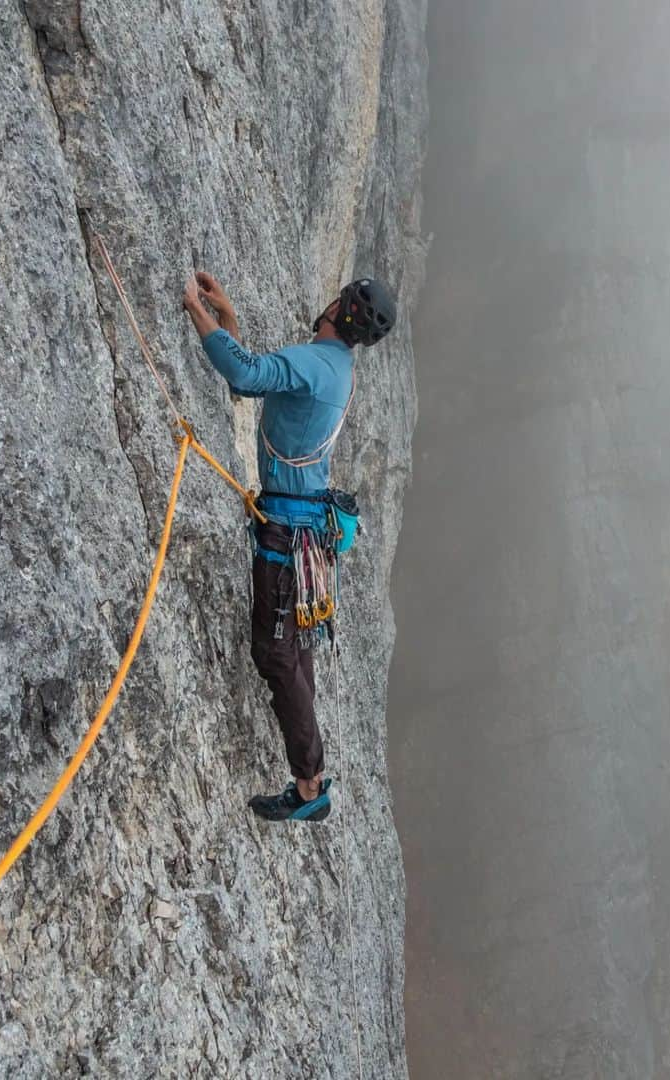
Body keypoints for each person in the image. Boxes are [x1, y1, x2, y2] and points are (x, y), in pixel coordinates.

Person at [182, 270, 396, 822]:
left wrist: (194, 309)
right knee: (294, 652)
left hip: (287, 533)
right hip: (304, 530)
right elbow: (252, 383)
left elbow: (246, 373)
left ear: (337, 308)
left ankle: (309, 785)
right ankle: (311, 777)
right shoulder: (336, 368)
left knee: (277, 653)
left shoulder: (315, 363)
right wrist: (225, 319)